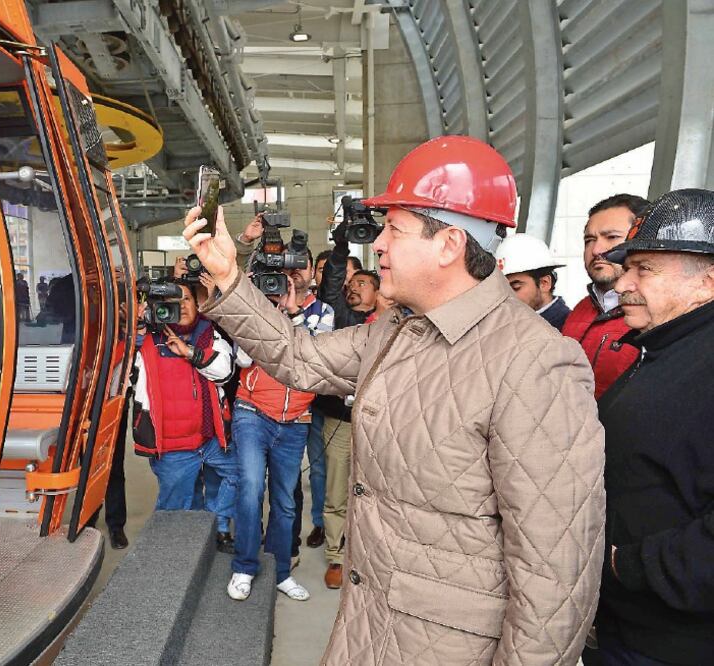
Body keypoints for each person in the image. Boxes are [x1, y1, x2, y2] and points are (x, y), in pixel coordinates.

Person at [186, 135, 604, 664]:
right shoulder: (398, 330)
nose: (378, 244)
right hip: (370, 623)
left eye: (394, 229)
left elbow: (555, 576)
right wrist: (227, 275)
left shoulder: (536, 362)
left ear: (450, 244)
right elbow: (298, 359)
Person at [591, 189, 714, 666]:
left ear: (707, 282)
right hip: (629, 628)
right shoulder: (665, 349)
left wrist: (628, 566)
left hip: (672, 643)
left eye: (645, 269)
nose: (623, 284)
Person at [228, 246, 333, 604]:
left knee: (286, 502)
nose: (295, 275)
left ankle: (281, 573)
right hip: (252, 413)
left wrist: (293, 314)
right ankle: (244, 566)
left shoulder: (323, 312)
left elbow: (316, 358)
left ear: (310, 273)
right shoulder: (258, 309)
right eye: (289, 268)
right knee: (251, 488)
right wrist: (267, 317)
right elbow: (241, 359)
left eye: (301, 266)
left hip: (296, 421)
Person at [131, 282, 238, 548]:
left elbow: (224, 371)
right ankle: (173, 558)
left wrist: (189, 352)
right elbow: (121, 365)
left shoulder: (207, 333)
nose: (182, 305)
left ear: (197, 303)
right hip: (172, 448)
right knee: (173, 513)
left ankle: (216, 524)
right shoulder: (146, 340)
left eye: (187, 298)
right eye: (173, 301)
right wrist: (136, 328)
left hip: (210, 439)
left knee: (242, 474)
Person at [314, 223, 391, 589]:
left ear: (380, 292)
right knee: (335, 490)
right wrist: (341, 243)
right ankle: (335, 556)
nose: (354, 287)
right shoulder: (340, 317)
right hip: (341, 421)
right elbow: (331, 281)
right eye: (351, 284)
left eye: (363, 283)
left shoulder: (394, 323)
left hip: (384, 425)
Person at [561, 194, 649, 398]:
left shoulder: (655, 314)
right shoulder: (579, 310)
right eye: (589, 240)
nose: (597, 250)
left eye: (611, 237)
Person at [494, 233, 570, 329]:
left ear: (544, 283)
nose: (507, 297)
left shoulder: (568, 331)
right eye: (503, 289)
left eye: (515, 288)